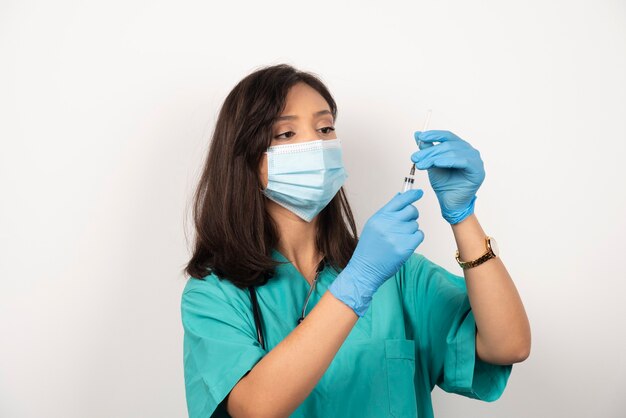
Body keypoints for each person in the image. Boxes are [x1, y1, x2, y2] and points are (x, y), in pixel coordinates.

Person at [180, 63, 531, 418]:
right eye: (286, 134)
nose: (315, 144)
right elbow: (254, 408)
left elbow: (508, 345)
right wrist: (357, 282)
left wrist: (463, 217)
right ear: (244, 159)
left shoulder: (397, 274)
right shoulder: (214, 294)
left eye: (325, 127)